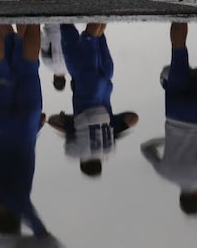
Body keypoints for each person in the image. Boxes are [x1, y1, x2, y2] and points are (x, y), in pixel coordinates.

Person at [140, 22, 197, 215]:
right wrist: (168, 141)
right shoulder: (165, 173)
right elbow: (146, 148)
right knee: (178, 53)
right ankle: (180, 13)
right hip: (174, 113)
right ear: (181, 197)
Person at [0, 23, 56, 242]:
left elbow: (44, 235)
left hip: (27, 125)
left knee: (29, 68)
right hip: (2, 125)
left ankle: (33, 9)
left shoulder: (21, 203)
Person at [47, 23, 138, 177]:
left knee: (98, 32)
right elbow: (52, 121)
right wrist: (71, 125)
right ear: (83, 162)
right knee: (76, 31)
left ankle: (102, 0)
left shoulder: (110, 146)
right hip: (86, 86)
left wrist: (114, 129)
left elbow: (133, 118)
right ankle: (94, 0)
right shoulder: (77, 151)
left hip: (105, 82)